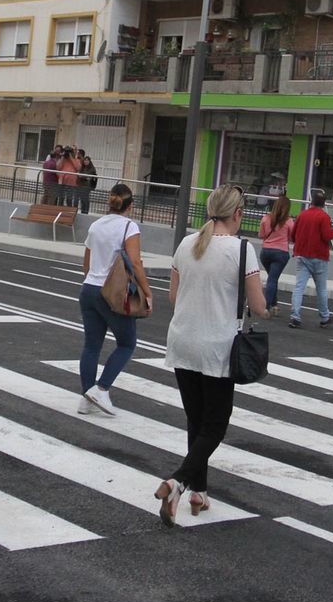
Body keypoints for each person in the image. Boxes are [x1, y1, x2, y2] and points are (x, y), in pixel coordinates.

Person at [157, 184, 269, 526]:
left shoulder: (186, 243)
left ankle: (199, 492)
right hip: (217, 346)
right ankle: (178, 481)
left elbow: (174, 297)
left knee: (196, 420)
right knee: (216, 425)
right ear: (238, 214)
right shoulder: (242, 250)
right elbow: (260, 307)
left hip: (182, 341)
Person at [77, 182, 152, 416]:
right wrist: (147, 292)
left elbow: (86, 266)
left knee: (91, 346)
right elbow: (136, 262)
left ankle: (86, 399)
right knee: (127, 343)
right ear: (130, 205)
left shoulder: (96, 225)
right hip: (112, 293)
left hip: (88, 288)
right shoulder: (129, 227)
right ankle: (102, 388)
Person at [288, 188, 333, 328]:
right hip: (319, 256)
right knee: (321, 288)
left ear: (311, 202)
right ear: (323, 204)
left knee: (299, 287)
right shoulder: (324, 217)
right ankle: (324, 317)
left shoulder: (302, 215)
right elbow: (327, 236)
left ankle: (295, 316)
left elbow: (293, 235)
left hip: (302, 254)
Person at [257, 194, 294, 312]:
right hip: (281, 253)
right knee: (273, 279)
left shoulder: (265, 218)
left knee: (272, 277)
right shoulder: (289, 221)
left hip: (266, 252)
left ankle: (274, 304)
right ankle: (266, 307)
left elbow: (261, 235)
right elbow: (292, 238)